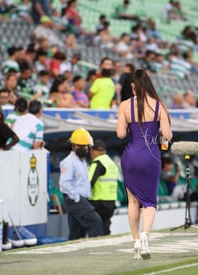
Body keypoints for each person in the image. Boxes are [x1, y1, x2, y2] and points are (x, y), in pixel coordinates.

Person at [116, 69, 172, 260]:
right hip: (150, 155)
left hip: (131, 156)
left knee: (133, 201)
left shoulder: (124, 105)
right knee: (149, 202)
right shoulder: (159, 105)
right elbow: (167, 135)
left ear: (134, 87)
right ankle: (146, 235)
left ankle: (136, 242)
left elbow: (121, 134)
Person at [59, 128, 103, 240]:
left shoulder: (81, 161)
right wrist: (76, 197)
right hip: (75, 200)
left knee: (77, 233)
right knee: (95, 221)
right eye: (81, 146)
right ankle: (96, 250)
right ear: (73, 146)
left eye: (86, 146)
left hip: (79, 199)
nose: (85, 149)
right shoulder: (69, 162)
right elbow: (64, 183)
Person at [88, 139, 119, 236]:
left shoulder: (97, 163)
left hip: (98, 201)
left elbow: (89, 182)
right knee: (105, 227)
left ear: (93, 151)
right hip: (111, 201)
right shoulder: (112, 163)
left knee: (96, 230)